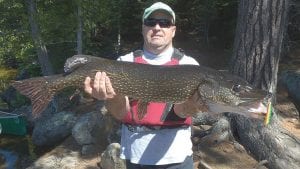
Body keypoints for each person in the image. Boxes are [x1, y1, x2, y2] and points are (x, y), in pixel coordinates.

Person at [84, 2, 200, 169]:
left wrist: (193, 105)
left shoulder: (189, 66)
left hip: (178, 159)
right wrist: (110, 96)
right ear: (143, 28)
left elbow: (181, 111)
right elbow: (120, 113)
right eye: (151, 22)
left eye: (165, 23)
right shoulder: (124, 62)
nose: (157, 27)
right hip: (135, 158)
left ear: (173, 30)